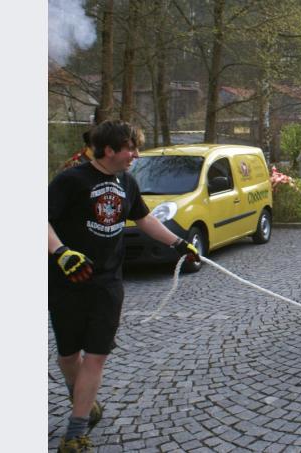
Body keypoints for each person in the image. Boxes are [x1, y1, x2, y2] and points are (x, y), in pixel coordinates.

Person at [49, 120, 201, 452]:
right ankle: (84, 400)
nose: (135, 154)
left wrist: (179, 243)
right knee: (68, 356)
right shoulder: (70, 180)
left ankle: (75, 431)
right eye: (129, 148)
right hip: (67, 282)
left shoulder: (127, 182)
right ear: (108, 150)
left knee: (96, 357)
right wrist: (60, 252)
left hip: (107, 284)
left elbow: (143, 218)